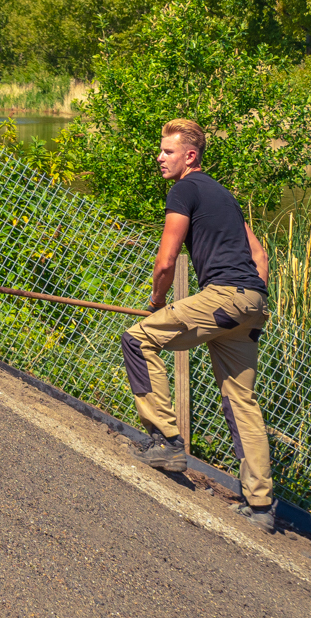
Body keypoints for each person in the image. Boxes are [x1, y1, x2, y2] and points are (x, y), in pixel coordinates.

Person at [119, 118, 277, 528]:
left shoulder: (184, 189)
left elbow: (166, 260)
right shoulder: (224, 196)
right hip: (253, 303)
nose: (159, 157)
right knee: (242, 400)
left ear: (190, 156)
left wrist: (156, 302)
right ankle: (260, 507)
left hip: (224, 296)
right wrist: (246, 299)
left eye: (167, 152)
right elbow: (259, 258)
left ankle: (167, 441)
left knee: (138, 340)